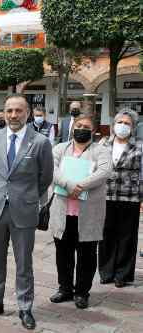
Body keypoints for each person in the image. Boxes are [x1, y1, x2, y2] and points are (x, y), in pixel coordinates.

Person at [0, 94, 54, 330]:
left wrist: (27, 196)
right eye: (9, 110)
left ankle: (25, 306)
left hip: (24, 209)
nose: (13, 115)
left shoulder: (39, 142)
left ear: (28, 113)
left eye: (19, 111)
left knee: (24, 263)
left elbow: (46, 177)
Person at [49, 112, 111, 309]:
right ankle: (64, 288)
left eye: (86, 126)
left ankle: (82, 292)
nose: (81, 129)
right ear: (72, 128)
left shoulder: (101, 151)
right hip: (63, 210)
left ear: (93, 131)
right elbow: (52, 169)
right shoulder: (60, 148)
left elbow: (104, 172)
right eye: (78, 125)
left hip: (89, 212)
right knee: (63, 253)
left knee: (87, 254)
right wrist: (69, 185)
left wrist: (80, 186)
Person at [98, 109, 142, 288]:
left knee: (127, 235)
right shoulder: (103, 143)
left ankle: (122, 274)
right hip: (105, 195)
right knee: (106, 234)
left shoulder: (139, 146)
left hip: (129, 197)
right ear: (114, 125)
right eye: (120, 122)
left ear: (132, 128)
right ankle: (106, 271)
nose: (123, 126)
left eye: (127, 123)